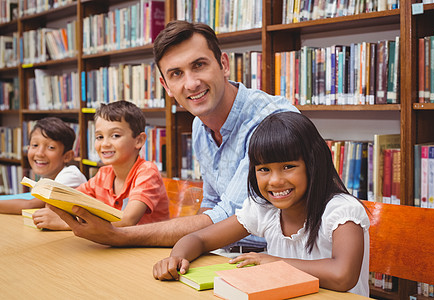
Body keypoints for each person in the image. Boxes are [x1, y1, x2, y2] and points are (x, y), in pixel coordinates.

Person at [50, 20, 298, 249]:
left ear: (223, 65)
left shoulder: (271, 120)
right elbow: (211, 202)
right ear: (166, 86)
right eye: (176, 74)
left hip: (282, 259)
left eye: (199, 65)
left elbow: (231, 215)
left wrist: (120, 235)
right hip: (228, 256)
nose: (191, 84)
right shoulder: (200, 125)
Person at [153, 112, 370, 296]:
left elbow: (343, 276)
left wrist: (274, 262)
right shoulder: (263, 209)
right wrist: (176, 258)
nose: (275, 180)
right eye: (264, 169)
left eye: (288, 166)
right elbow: (198, 238)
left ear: (312, 164)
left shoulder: (341, 210)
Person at [52, 100, 170, 230]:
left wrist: (65, 223)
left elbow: (127, 220)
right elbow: (68, 199)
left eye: (115, 135)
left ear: (139, 140)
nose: (105, 144)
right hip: (114, 245)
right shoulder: (104, 173)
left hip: (147, 248)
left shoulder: (147, 172)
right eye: (99, 137)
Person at [0, 117, 87, 229]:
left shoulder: (70, 175)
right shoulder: (47, 178)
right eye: (35, 145)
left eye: (50, 147)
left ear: (67, 156)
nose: (40, 153)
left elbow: (31, 205)